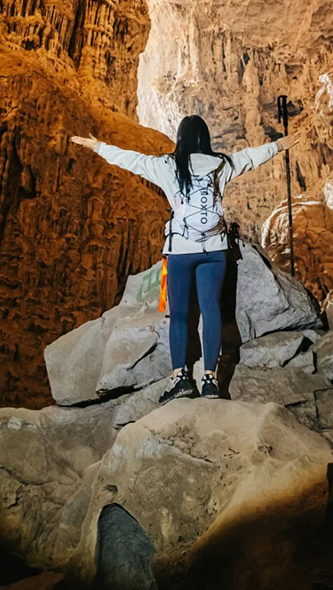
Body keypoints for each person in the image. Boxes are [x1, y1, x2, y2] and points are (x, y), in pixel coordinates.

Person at [71, 115, 298, 404]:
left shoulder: (166, 165)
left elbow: (132, 161)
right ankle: (211, 380)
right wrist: (279, 145)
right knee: (212, 311)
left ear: (181, 138)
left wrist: (99, 147)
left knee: (179, 315)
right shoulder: (221, 164)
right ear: (205, 138)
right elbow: (250, 158)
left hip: (180, 251)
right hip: (215, 250)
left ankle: (180, 378)